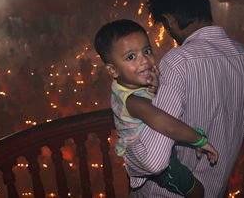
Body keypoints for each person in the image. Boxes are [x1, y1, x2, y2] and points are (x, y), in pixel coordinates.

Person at [124, 0, 244, 197]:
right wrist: (223, 124)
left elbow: (153, 161)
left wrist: (128, 151)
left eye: (165, 24)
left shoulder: (178, 62)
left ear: (169, 20)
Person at [93, 19, 219, 197]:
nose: (144, 60)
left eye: (147, 51)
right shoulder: (134, 102)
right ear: (113, 70)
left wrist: (152, 88)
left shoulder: (123, 85)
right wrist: (199, 140)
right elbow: (169, 126)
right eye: (131, 57)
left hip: (142, 143)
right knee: (197, 190)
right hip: (155, 160)